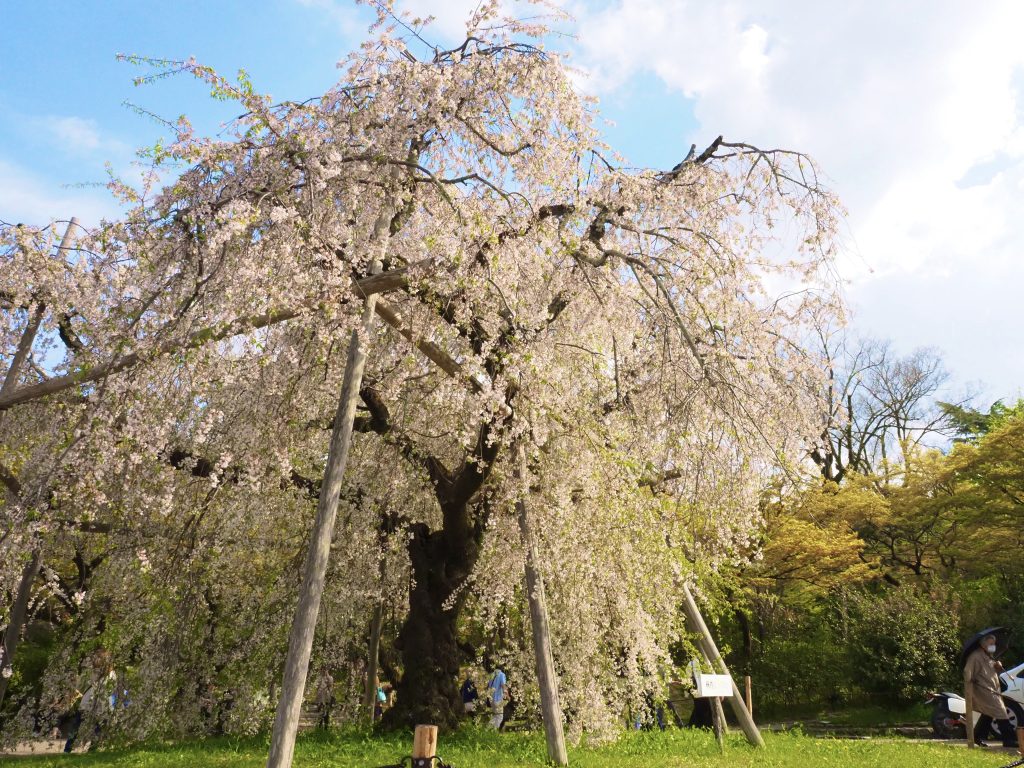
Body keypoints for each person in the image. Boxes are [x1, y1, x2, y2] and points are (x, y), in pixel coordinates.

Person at [964, 633, 1016, 747]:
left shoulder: (989, 655)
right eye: (991, 644)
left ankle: (977, 736)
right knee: (1001, 711)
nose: (993, 646)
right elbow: (967, 671)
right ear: (983, 644)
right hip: (984, 690)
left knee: (988, 714)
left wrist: (997, 667)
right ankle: (1009, 740)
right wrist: (971, 679)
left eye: (994, 644)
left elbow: (991, 673)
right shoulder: (975, 656)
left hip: (993, 689)